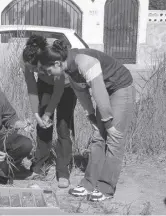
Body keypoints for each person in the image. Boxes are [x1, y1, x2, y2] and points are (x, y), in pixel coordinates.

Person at [31, 39, 135, 202]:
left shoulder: (84, 62)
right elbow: (83, 95)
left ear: (57, 63)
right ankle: (88, 184)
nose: (48, 74)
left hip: (121, 88)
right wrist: (92, 118)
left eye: (48, 70)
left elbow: (99, 94)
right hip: (105, 93)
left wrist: (108, 124)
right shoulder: (70, 72)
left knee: (114, 138)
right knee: (97, 137)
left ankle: (106, 188)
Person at [21, 35, 77, 188]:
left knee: (63, 127)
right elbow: (31, 86)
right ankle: (40, 167)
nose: (33, 71)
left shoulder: (53, 58)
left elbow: (58, 90)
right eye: (31, 69)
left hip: (65, 87)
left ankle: (63, 172)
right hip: (45, 86)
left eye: (36, 68)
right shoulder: (27, 59)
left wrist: (48, 113)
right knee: (43, 126)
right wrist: (37, 115)